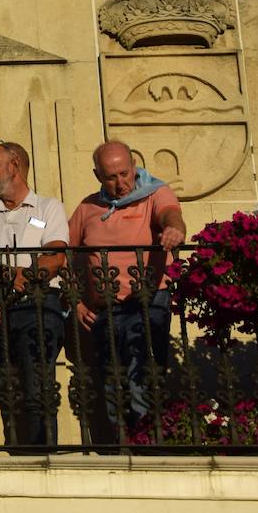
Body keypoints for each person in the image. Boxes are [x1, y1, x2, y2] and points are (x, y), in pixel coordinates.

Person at [68, 141, 185, 441]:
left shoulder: (155, 192)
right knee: (112, 385)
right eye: (111, 177)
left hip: (148, 300)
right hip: (105, 308)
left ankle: (150, 452)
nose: (121, 183)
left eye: (125, 173)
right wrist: (76, 302)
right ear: (97, 175)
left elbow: (170, 213)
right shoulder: (87, 207)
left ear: (134, 166)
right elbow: (63, 255)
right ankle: (125, 453)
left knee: (140, 380)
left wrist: (174, 229)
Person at [0, 142, 69, 448]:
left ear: (15, 165)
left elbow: (54, 257)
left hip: (36, 307)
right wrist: (5, 275)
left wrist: (21, 277)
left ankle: (44, 461)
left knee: (38, 391)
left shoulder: (46, 209)